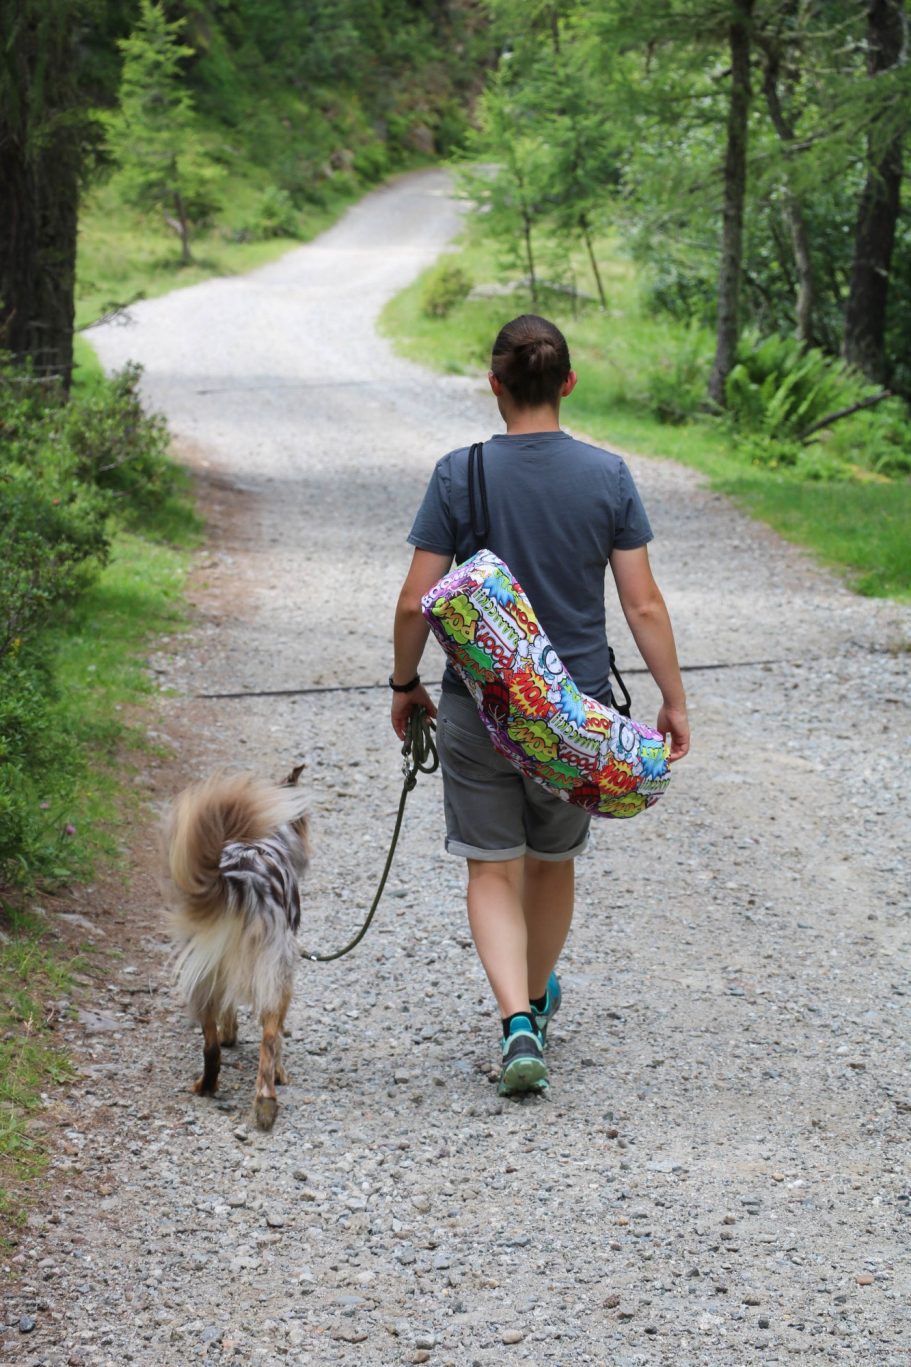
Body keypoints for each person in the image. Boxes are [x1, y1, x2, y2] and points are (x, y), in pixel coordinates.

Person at [390, 314, 689, 1097]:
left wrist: (403, 684)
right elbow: (644, 605)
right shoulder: (608, 476)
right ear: (568, 383)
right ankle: (535, 996)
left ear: (494, 385)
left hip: (479, 705)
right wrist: (671, 699)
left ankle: (515, 1018)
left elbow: (414, 602)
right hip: (572, 715)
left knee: (491, 867)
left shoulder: (460, 474)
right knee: (551, 863)